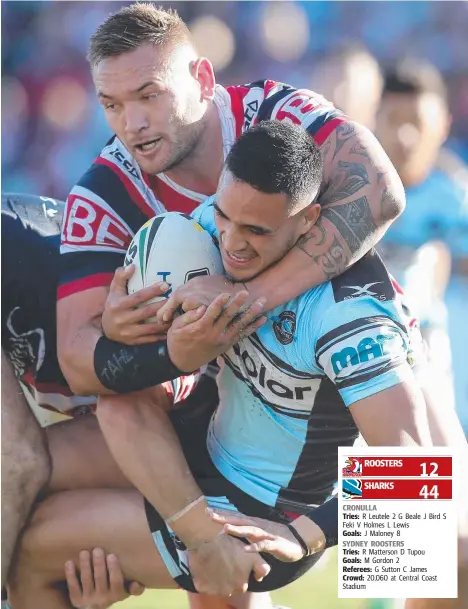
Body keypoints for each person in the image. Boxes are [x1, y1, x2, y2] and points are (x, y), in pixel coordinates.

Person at [9, 120, 447, 609]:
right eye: (225, 218)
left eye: (257, 230)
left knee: (33, 550)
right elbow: (124, 361)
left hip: (266, 514)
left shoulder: (351, 314)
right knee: (19, 483)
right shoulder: (203, 227)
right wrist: (117, 320)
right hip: (204, 449)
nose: (232, 244)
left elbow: (418, 474)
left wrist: (306, 537)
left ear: (309, 220)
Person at [55, 3, 405, 597]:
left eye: (149, 95)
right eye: (112, 105)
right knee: (41, 508)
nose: (132, 123)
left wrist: (245, 301)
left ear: (202, 80)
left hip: (347, 365)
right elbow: (79, 356)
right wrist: (146, 341)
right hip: (237, 419)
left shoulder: (275, 115)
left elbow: (381, 193)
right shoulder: (107, 192)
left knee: (435, 526)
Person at [1, 194, 146, 607]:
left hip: (241, 490)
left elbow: (17, 461)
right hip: (231, 480)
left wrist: (326, 539)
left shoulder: (330, 313)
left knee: (28, 551)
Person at [375, 59, 468, 432]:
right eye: (394, 121)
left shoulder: (453, 200)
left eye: (417, 122)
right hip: (357, 346)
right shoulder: (345, 191)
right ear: (373, 117)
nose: (406, 136)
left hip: (428, 349)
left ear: (443, 125)